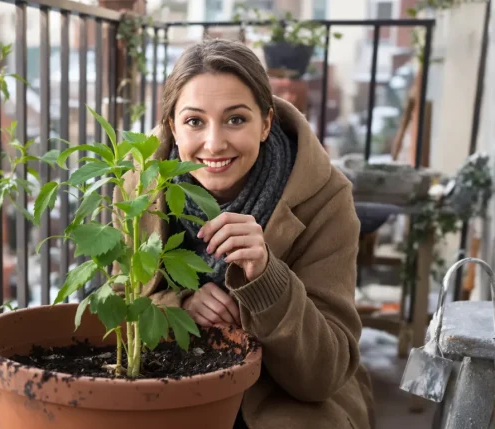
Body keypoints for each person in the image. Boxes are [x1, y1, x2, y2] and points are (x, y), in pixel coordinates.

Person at [114, 38, 375, 428]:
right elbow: (121, 309)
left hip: (278, 395)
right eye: (194, 121)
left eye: (236, 119)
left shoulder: (325, 197)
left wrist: (267, 277)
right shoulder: (140, 185)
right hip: (170, 383)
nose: (214, 143)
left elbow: (324, 373)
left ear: (266, 123)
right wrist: (182, 307)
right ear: (173, 126)